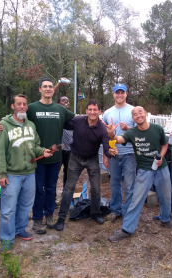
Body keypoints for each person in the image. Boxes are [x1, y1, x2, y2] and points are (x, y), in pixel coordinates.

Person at [0, 78, 74, 234]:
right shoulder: (31, 108)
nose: (48, 89)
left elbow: (77, 120)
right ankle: (37, 219)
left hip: (54, 158)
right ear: (39, 89)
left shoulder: (60, 109)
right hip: (35, 158)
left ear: (53, 89)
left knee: (51, 188)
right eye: (45, 86)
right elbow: (14, 116)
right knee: (38, 189)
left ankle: (49, 215)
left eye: (50, 86)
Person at [107, 106, 172, 243]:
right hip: (144, 170)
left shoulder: (157, 128)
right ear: (133, 118)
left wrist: (161, 156)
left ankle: (166, 219)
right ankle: (126, 229)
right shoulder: (132, 133)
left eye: (140, 112)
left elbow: (164, 144)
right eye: (135, 114)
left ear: (145, 114)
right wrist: (111, 134)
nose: (138, 115)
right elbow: (117, 139)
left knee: (166, 195)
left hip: (161, 168)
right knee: (136, 199)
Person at [0, 94, 54, 253]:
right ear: (12, 106)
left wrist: (44, 151)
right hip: (12, 174)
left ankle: (20, 229)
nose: (22, 107)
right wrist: (1, 173)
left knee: (25, 205)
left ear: (27, 107)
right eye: (18, 104)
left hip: (30, 173)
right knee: (8, 209)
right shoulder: (4, 126)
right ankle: (6, 239)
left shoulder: (31, 126)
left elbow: (35, 146)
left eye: (24, 104)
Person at [52, 99, 117, 231]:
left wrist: (111, 151)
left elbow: (106, 147)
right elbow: (62, 123)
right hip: (75, 158)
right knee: (69, 188)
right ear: (86, 110)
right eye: (90, 109)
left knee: (96, 188)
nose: (92, 112)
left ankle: (95, 213)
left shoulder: (102, 129)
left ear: (99, 111)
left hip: (92, 159)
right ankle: (61, 218)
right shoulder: (78, 121)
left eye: (95, 110)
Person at [102, 84, 136, 221]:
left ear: (126, 94)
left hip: (130, 154)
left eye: (122, 92)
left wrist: (127, 128)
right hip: (113, 154)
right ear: (113, 95)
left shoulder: (133, 111)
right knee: (114, 183)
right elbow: (104, 136)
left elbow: (139, 132)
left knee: (129, 185)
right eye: (117, 93)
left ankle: (128, 211)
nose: (120, 95)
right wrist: (105, 155)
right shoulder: (108, 113)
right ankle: (116, 209)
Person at [57, 96, 73, 189]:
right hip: (58, 151)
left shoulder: (71, 117)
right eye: (63, 101)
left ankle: (66, 196)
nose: (66, 102)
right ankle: (52, 198)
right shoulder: (55, 117)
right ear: (58, 104)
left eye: (68, 101)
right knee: (54, 175)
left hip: (70, 151)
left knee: (68, 174)